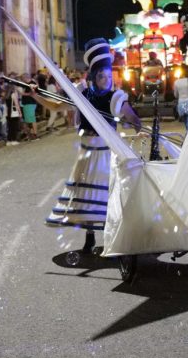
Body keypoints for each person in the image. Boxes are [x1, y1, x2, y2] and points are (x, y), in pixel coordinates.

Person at [46, 38, 141, 254]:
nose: (106, 79)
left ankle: (110, 238)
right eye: (101, 76)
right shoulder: (82, 94)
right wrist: (34, 93)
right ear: (93, 75)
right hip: (87, 152)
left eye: (109, 75)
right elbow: (55, 106)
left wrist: (137, 124)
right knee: (87, 197)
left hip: (108, 152)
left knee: (108, 196)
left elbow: (133, 119)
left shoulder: (115, 97)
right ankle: (90, 237)